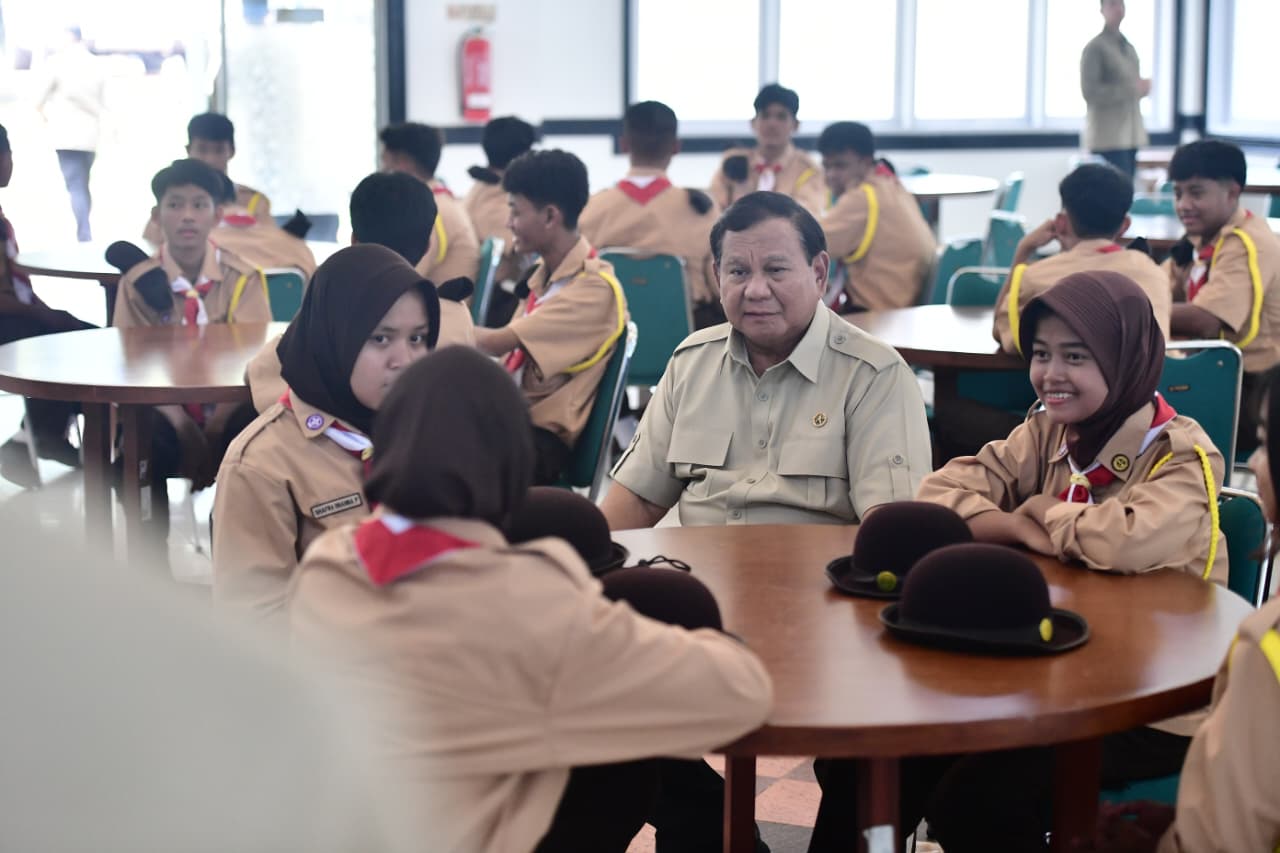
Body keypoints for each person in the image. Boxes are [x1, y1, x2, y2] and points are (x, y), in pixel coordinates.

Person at [288, 346, 774, 853]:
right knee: (616, 730)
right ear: (514, 468)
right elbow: (741, 694)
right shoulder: (533, 601)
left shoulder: (327, 570)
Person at [912, 272, 1226, 852]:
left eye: (1075, 356)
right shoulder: (1046, 430)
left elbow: (1124, 540)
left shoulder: (1180, 455)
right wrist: (1014, 527)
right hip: (1049, 671)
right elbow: (937, 493)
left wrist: (1040, 510)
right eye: (1041, 354)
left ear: (1125, 359)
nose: (1051, 373)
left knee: (975, 800)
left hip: (1152, 702)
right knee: (892, 759)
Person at [602, 190, 931, 530]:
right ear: (717, 277)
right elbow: (639, 499)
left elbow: (890, 527)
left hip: (816, 565)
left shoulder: (874, 375)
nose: (756, 290)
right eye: (738, 272)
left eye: (776, 270)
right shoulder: (692, 363)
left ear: (819, 273)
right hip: (700, 561)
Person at [1077, 365, 1280, 853]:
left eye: (1263, 444)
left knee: (979, 791)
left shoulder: (1268, 647)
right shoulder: (1044, 434)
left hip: (1153, 717)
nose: (1255, 462)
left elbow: (1221, 844)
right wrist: (1178, 825)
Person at [213, 244, 441, 624]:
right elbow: (254, 626)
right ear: (335, 337)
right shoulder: (261, 466)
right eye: (381, 339)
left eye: (417, 338)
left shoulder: (430, 435)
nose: (403, 360)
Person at [114, 158, 271, 555]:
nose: (187, 215)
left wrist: (215, 429)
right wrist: (183, 425)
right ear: (156, 217)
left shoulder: (244, 278)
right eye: (175, 204)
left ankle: (234, 562)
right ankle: (150, 569)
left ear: (217, 215)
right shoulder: (136, 284)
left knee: (263, 447)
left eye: (199, 205)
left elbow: (255, 365)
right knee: (136, 451)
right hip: (165, 412)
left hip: (228, 411)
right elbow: (133, 369)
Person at [242, 170, 474, 415]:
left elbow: (260, 375)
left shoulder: (332, 312)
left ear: (354, 241)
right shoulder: (455, 317)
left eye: (416, 339)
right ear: (428, 246)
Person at [472, 149, 629, 485]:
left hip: (539, 441)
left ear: (549, 216)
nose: (508, 222)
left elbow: (496, 343)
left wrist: (434, 323)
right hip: (513, 423)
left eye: (515, 211)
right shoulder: (544, 276)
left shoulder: (594, 289)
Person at [1168, 139, 1280, 457]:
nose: (1183, 205)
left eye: (1196, 193)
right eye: (1178, 193)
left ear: (1232, 192)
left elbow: (1205, 320)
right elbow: (1160, 285)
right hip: (1219, 375)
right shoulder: (1202, 239)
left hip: (1253, 390)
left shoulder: (1245, 243)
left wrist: (1131, 308)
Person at [0, 122, 94, 487]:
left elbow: (14, 285)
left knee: (84, 335)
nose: (9, 163)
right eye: (6, 154)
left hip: (13, 314)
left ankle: (34, 437)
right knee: (74, 344)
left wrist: (46, 312)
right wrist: (42, 314)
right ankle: (40, 436)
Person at [993, 162, 1172, 352]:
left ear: (1061, 222)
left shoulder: (1034, 276)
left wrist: (1024, 250)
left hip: (1061, 371)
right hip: (1146, 372)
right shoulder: (1153, 273)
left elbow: (1000, 330)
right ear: (1125, 225)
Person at [579, 100, 725, 328]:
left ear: (624, 144)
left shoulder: (590, 209)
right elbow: (720, 288)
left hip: (606, 337)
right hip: (687, 338)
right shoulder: (702, 210)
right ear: (676, 147)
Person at [145, 113, 315, 277]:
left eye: (219, 150)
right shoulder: (169, 198)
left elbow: (274, 253)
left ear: (232, 151)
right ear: (189, 150)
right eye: (202, 149)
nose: (210, 159)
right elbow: (155, 250)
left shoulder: (255, 202)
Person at [816, 121, 936, 311]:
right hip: (905, 303)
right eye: (826, 166)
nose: (831, 175)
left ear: (865, 162)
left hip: (878, 311)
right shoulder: (891, 184)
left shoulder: (862, 198)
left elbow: (810, 245)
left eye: (840, 166)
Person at [379, 122, 481, 286]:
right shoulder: (439, 201)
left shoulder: (430, 212)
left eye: (386, 163)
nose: (382, 171)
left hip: (437, 302)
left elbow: (402, 281)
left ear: (403, 163)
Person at [708, 83, 824, 216]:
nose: (772, 124)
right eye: (765, 115)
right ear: (753, 123)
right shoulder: (733, 162)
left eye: (781, 116)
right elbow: (713, 212)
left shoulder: (808, 169)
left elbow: (806, 217)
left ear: (796, 125)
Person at [36, 25, 104, 242]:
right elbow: (106, 101)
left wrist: (46, 118)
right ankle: (84, 228)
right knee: (83, 184)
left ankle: (83, 231)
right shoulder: (95, 64)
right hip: (90, 135)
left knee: (75, 186)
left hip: (66, 134)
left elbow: (39, 99)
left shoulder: (57, 63)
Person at [463, 115, 536, 288]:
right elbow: (536, 249)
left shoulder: (482, 188)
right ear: (524, 157)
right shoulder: (496, 203)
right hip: (498, 297)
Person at [1081, 0, 1150, 179]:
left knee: (1127, 188)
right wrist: (1131, 89)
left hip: (1130, 135)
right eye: (1112, 4)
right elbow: (1090, 92)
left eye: (1121, 4)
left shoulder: (1128, 47)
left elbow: (1133, 86)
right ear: (1102, 10)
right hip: (1108, 138)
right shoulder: (1096, 48)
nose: (1118, 9)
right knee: (1111, 189)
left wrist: (1142, 88)